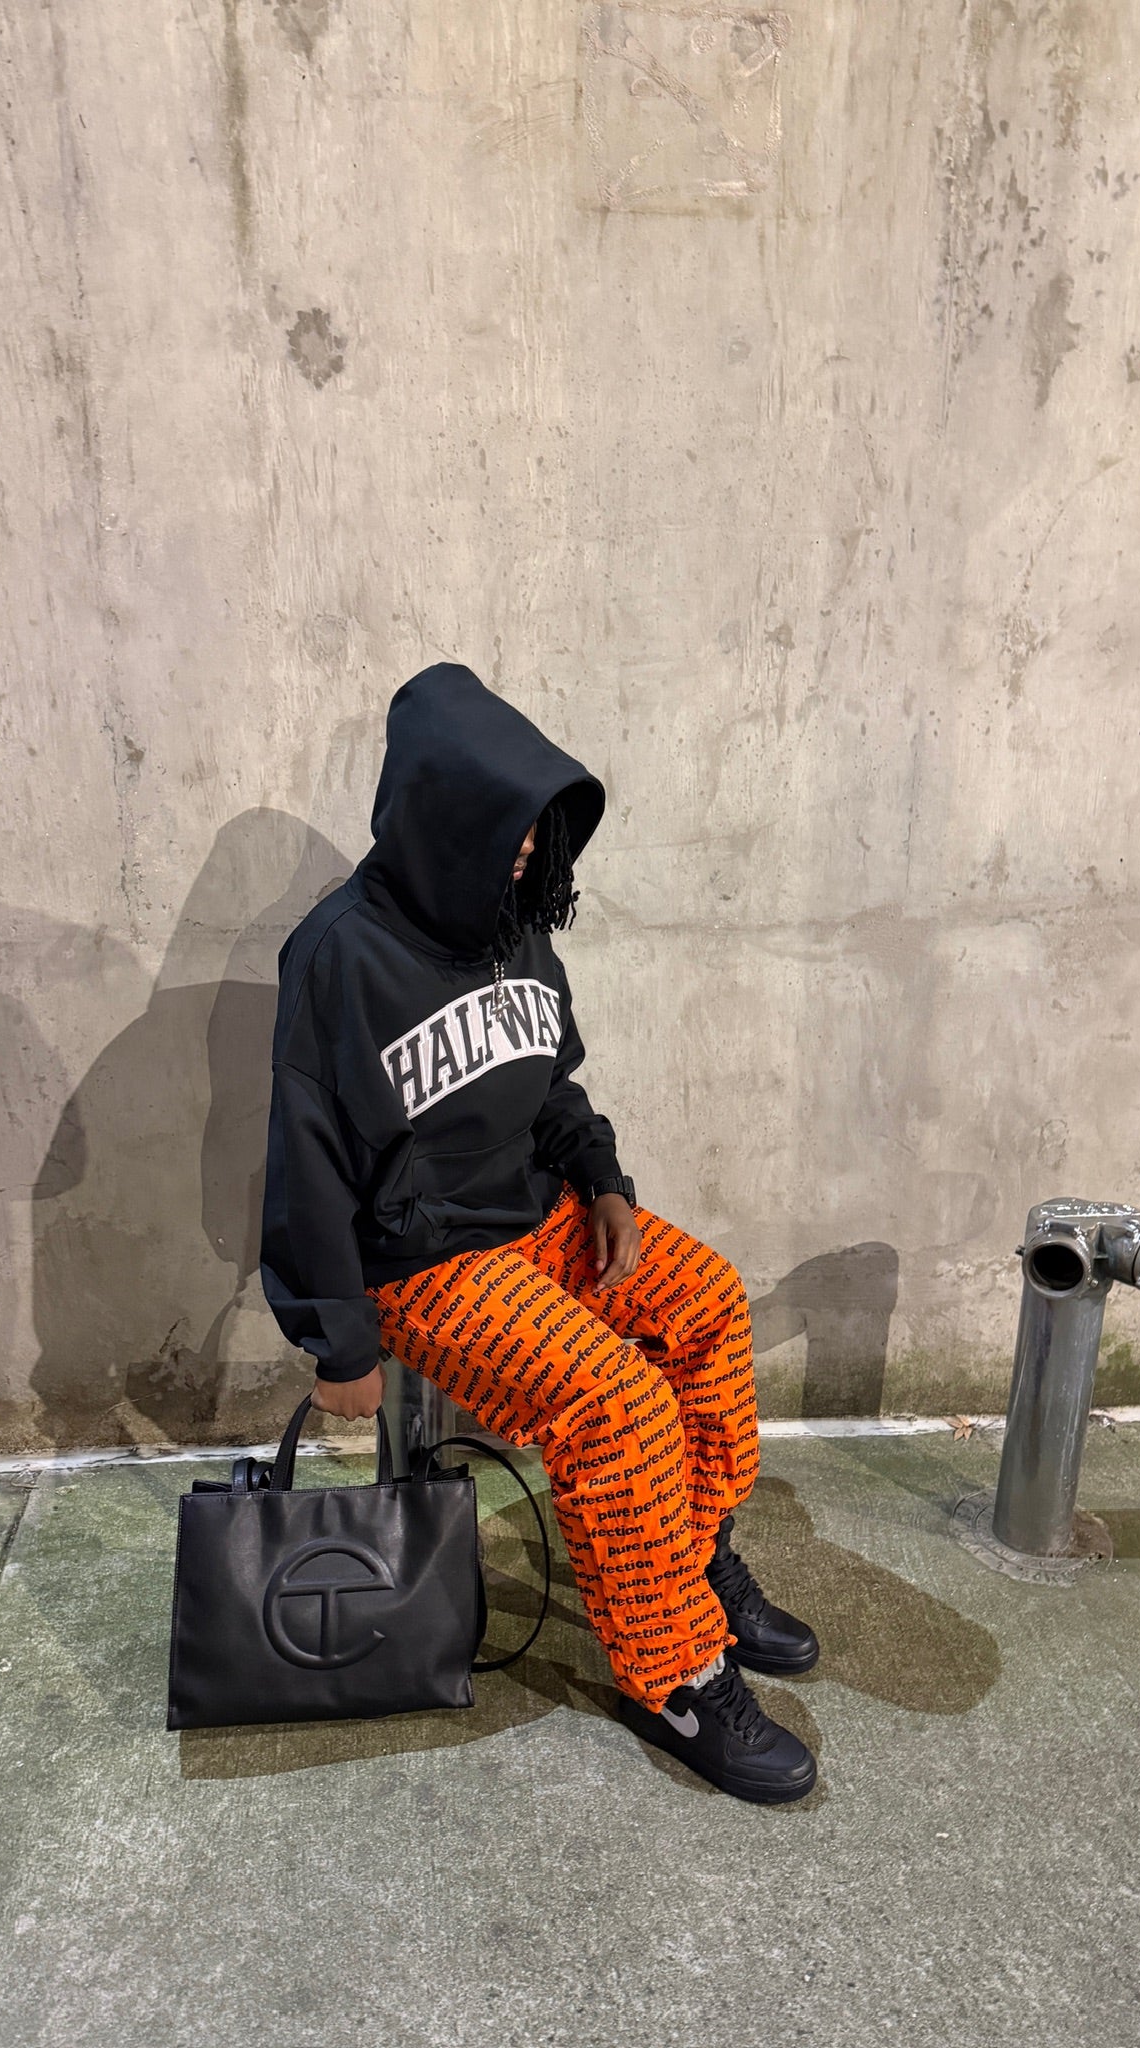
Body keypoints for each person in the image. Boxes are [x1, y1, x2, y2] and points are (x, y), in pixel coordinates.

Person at [261, 662, 819, 1803]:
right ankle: (675, 1674)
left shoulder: (515, 922)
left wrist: (601, 1176)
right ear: (439, 813)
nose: (528, 851)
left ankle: (691, 1562)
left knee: (707, 1301)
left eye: (539, 830)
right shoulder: (337, 954)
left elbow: (550, 1080)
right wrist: (339, 1340)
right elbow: (304, 1159)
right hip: (425, 1260)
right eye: (509, 828)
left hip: (541, 1213)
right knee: (617, 1404)